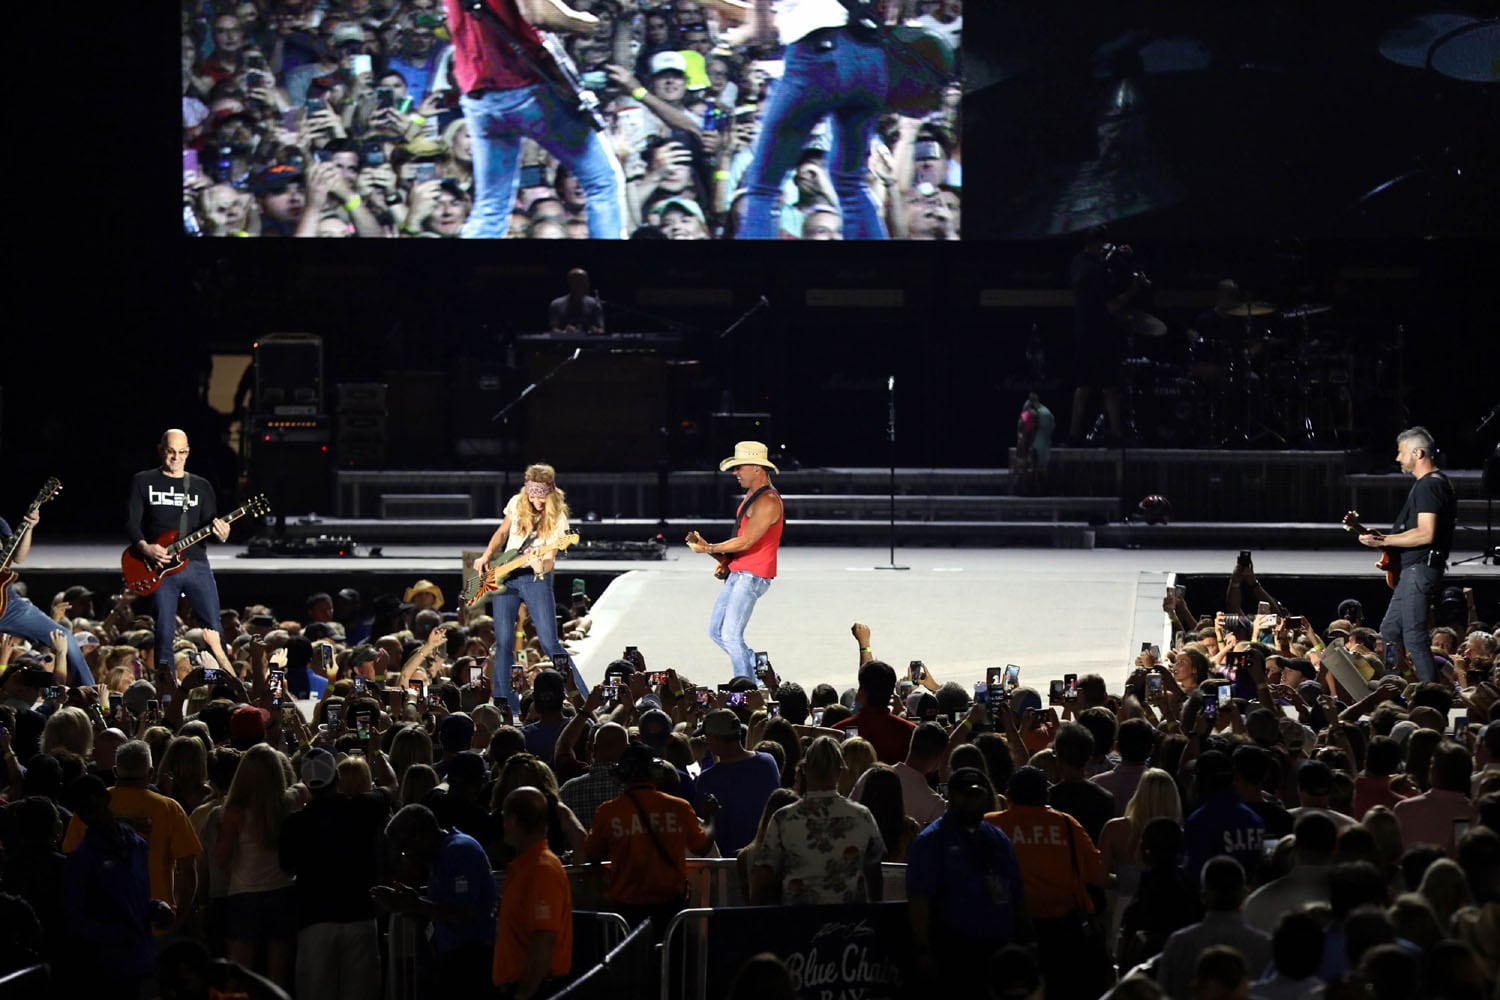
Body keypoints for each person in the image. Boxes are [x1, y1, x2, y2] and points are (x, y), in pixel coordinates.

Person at [443, 0, 627, 239]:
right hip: (525, 87)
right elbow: (539, 13)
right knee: (602, 181)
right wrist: (586, 22)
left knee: (491, 206)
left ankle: (467, 273)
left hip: (479, 96)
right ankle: (610, 268)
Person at [722, 2, 892, 239]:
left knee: (763, 188)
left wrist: (738, 35)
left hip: (817, 58)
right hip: (872, 60)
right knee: (851, 183)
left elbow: (762, 33)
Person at [473, 464, 584, 707]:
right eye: (532, 495)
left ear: (550, 492)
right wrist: (486, 556)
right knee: (503, 643)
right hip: (507, 575)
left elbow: (550, 559)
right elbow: (502, 533)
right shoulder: (516, 502)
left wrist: (538, 567)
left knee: (549, 641)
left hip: (534, 578)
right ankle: (506, 703)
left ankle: (581, 695)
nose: (536, 500)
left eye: (541, 495)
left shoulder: (558, 518)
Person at [906, 767, 1027, 989]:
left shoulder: (997, 838)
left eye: (977, 795)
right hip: (953, 949)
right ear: (951, 797)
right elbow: (920, 900)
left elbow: (1016, 891)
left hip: (997, 947)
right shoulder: (931, 841)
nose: (972, 801)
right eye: (966, 795)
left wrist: (1023, 938)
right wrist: (924, 949)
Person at [126, 429, 231, 673]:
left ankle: (223, 682)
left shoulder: (200, 486)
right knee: (164, 628)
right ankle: (167, 689)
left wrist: (222, 535)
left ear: (188, 452)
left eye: (182, 452)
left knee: (213, 625)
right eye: (171, 451)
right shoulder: (143, 481)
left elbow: (210, 529)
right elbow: (131, 523)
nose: (176, 457)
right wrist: (145, 547)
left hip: (195, 563)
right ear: (161, 450)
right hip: (161, 566)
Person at [1358, 426, 1457, 682]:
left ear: (1418, 452)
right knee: (1390, 630)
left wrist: (1385, 539)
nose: (1398, 458)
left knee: (1413, 635)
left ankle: (1430, 695)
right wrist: (1387, 541)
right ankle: (1396, 683)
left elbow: (1426, 533)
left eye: (1402, 452)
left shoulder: (1430, 486)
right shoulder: (1429, 485)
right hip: (1413, 569)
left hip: (1420, 568)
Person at [375, 803, 499, 995]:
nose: (407, 856)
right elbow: (439, 910)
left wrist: (417, 904)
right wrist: (404, 903)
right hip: (450, 957)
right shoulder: (439, 857)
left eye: (405, 848)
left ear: (420, 836)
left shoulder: (459, 851)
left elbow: (464, 913)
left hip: (472, 959)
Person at [584, 743, 710, 928]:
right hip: (672, 905)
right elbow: (701, 847)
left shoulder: (608, 811)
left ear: (621, 774)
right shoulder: (679, 807)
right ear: (655, 771)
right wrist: (712, 818)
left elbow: (593, 853)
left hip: (627, 907)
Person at [687, 442, 784, 682]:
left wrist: (708, 548)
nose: (735, 473)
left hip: (752, 576)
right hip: (740, 572)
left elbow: (746, 541)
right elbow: (742, 540)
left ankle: (746, 687)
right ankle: (765, 674)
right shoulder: (752, 496)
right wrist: (725, 560)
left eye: (739, 467)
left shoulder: (768, 502)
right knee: (717, 631)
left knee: (730, 634)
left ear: (757, 469)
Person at [751, 736, 885, 905]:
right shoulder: (862, 815)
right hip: (849, 922)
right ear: (840, 771)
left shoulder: (783, 818)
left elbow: (765, 874)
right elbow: (874, 871)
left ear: (805, 769)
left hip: (798, 921)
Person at [493, 786, 573, 997]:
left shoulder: (541, 870)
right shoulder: (526, 866)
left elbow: (544, 938)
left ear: (514, 820)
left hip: (535, 990)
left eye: (504, 816)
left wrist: (523, 994)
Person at [0, 502, 92, 685]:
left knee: (64, 637)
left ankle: (92, 698)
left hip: (9, 604)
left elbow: (17, 556)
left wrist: (29, 528)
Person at [1068, 226, 1131, 443]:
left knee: (1097, 386)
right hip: (1095, 334)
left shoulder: (1088, 265)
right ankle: (1091, 433)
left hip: (1094, 333)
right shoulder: (1090, 267)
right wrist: (1134, 290)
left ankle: (1098, 434)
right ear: (1097, 243)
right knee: (1097, 386)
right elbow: (1111, 306)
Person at [549, 267, 605, 333]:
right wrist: (565, 332)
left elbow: (601, 329)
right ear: (571, 283)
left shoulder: (595, 304)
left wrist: (595, 331)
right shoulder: (556, 304)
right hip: (565, 342)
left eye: (586, 281)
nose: (586, 284)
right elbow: (553, 329)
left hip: (588, 342)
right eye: (581, 281)